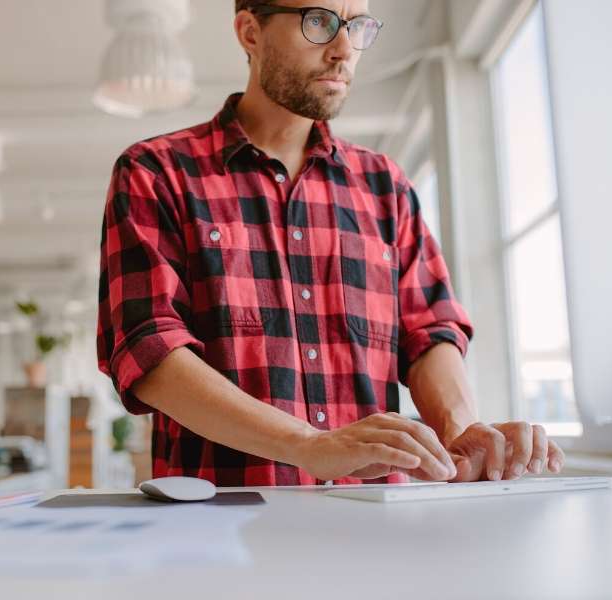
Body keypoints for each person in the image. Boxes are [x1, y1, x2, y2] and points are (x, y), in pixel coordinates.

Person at [96, 0, 565, 486]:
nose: (344, 49)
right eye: (318, 22)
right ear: (250, 32)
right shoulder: (156, 174)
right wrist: (307, 445)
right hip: (219, 528)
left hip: (374, 528)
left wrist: (459, 430)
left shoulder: (386, 186)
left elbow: (430, 329)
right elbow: (149, 349)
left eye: (357, 26)